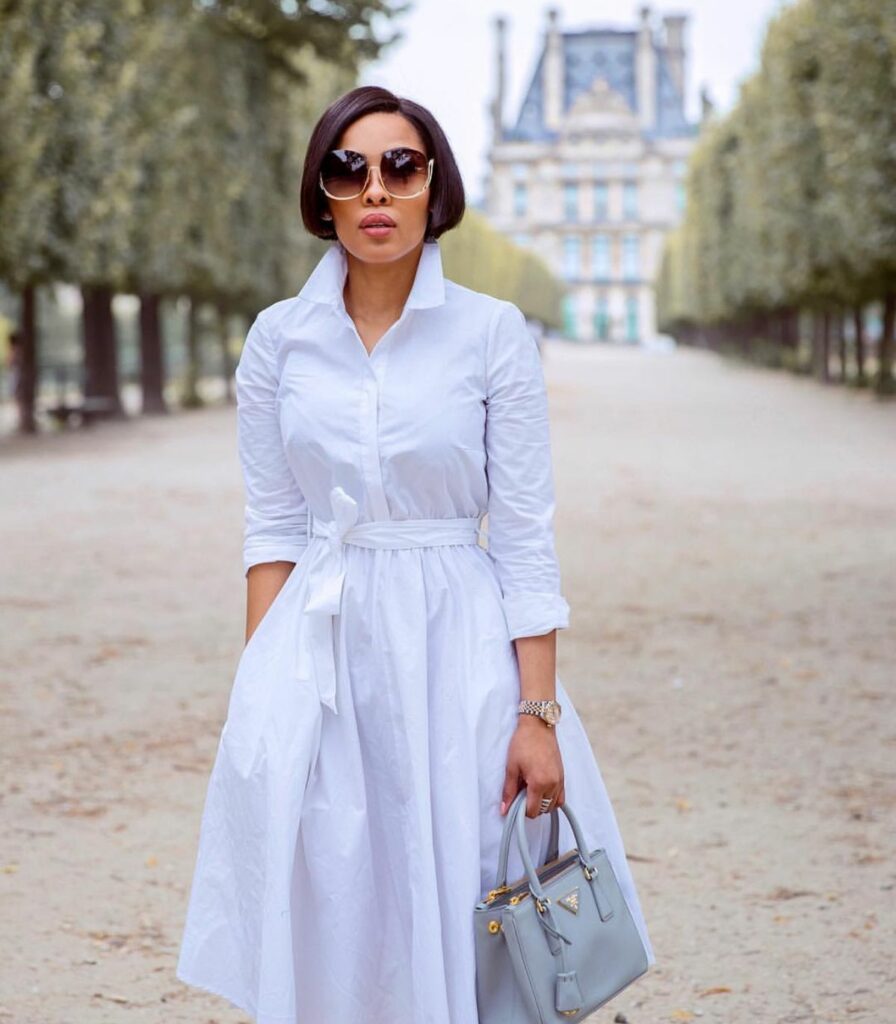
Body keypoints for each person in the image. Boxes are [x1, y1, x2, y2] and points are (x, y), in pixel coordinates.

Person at [175, 85, 655, 1024]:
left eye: (401, 165)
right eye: (348, 170)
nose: (376, 190)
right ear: (323, 195)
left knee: (465, 892)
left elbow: (522, 531)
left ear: (434, 187)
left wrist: (538, 713)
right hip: (323, 651)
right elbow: (272, 528)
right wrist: (261, 697)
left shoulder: (490, 334)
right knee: (336, 906)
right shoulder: (279, 340)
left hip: (458, 652)